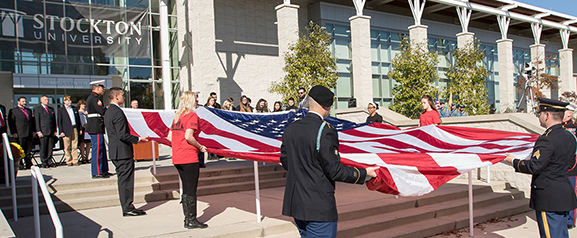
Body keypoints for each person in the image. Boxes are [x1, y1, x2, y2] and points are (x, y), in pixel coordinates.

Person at [280, 85, 379, 238]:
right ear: (326, 106)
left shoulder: (291, 128)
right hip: (318, 205)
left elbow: (286, 162)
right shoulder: (325, 130)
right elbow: (334, 170)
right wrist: (364, 173)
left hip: (297, 203)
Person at [505, 97, 577, 238]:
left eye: (540, 114)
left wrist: (513, 161)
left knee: (551, 235)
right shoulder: (569, 136)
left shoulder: (547, 139)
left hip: (549, 197)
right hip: (563, 192)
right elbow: (570, 163)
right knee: (561, 234)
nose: (539, 117)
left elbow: (534, 166)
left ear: (547, 115)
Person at [104, 87, 149, 217]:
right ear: (116, 96)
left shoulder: (109, 111)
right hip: (122, 152)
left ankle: (128, 206)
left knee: (124, 180)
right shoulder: (117, 112)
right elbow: (122, 134)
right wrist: (138, 139)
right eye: (122, 95)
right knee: (126, 181)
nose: (124, 97)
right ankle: (127, 207)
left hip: (116, 151)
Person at [167, 91, 208, 229]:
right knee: (191, 190)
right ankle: (191, 220)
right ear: (191, 101)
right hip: (189, 156)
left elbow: (169, 137)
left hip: (177, 157)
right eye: (196, 100)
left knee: (186, 189)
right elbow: (189, 136)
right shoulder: (192, 116)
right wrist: (200, 146)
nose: (197, 102)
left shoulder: (177, 117)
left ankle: (187, 219)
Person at [86, 80, 111, 179]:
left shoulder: (95, 98)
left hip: (98, 127)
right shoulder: (94, 98)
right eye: (102, 88)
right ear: (97, 88)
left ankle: (103, 170)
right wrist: (108, 109)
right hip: (95, 127)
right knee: (97, 150)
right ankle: (96, 171)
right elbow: (101, 111)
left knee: (102, 149)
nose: (103, 90)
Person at [8, 97, 34, 170]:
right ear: (18, 102)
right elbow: (11, 122)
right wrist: (13, 132)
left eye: (25, 101)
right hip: (19, 133)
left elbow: (31, 122)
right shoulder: (13, 111)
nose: (24, 103)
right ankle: (20, 164)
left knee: (28, 150)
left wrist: (33, 131)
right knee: (20, 150)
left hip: (28, 133)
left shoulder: (28, 111)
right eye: (22, 101)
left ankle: (28, 163)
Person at [563, 103, 577, 229]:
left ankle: (570, 220)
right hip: (560, 167)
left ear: (570, 113)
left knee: (572, 193)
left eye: (567, 112)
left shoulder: (574, 127)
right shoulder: (558, 127)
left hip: (572, 168)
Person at [57, 96, 81, 166]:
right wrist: (61, 131)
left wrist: (79, 129)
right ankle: (68, 160)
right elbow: (59, 121)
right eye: (67, 101)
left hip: (74, 128)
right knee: (67, 146)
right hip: (66, 129)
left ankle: (75, 160)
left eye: (70, 101)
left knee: (74, 145)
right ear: (64, 101)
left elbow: (78, 120)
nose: (69, 102)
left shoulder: (74, 108)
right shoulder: (61, 110)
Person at [34, 95, 57, 168]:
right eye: (45, 99)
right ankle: (44, 161)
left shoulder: (51, 109)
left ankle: (49, 160)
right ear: (41, 100)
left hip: (50, 130)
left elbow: (54, 120)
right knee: (43, 147)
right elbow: (37, 121)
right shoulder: (37, 109)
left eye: (47, 99)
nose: (47, 101)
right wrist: (38, 131)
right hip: (43, 131)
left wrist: (55, 130)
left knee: (50, 147)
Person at [77, 100, 91, 164]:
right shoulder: (78, 112)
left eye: (84, 105)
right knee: (82, 144)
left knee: (88, 144)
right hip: (82, 128)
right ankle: (83, 158)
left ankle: (87, 157)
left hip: (87, 128)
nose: (83, 106)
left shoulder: (86, 112)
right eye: (82, 104)